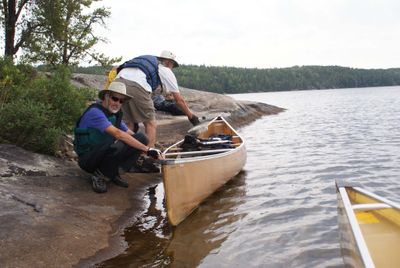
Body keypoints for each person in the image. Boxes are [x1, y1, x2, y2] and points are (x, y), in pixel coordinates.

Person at [73, 81, 163, 193]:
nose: (118, 103)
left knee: (142, 138)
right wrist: (148, 150)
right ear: (106, 96)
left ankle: (112, 172)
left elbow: (130, 134)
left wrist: (152, 150)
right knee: (117, 144)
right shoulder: (95, 112)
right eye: (115, 99)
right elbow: (118, 134)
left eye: (121, 101)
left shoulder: (114, 115)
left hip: (102, 152)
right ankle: (100, 175)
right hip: (88, 158)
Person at [114, 50, 200, 148]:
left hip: (117, 84)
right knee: (150, 124)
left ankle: (128, 152)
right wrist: (191, 116)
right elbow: (179, 100)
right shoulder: (165, 69)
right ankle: (149, 155)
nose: (172, 68)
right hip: (136, 86)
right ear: (168, 62)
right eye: (172, 65)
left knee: (129, 123)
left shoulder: (147, 61)